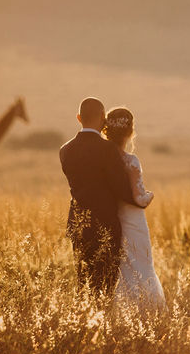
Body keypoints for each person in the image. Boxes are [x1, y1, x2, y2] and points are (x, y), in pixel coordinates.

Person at [59, 97, 146, 295]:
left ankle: (85, 320)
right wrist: (140, 199)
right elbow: (121, 190)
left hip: (78, 224)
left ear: (79, 118)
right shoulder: (107, 149)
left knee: (84, 283)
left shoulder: (65, 150)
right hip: (104, 225)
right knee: (105, 285)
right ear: (102, 117)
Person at [103, 106, 166, 310]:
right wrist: (151, 195)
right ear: (131, 132)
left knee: (122, 269)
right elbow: (139, 199)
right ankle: (147, 310)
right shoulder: (131, 161)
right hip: (133, 222)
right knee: (141, 266)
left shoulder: (103, 162)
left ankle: (122, 310)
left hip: (112, 219)